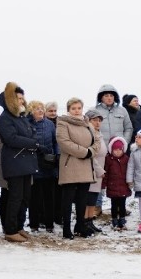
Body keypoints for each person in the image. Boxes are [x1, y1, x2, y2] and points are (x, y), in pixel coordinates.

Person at [0, 82, 39, 242]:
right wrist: (32, 143)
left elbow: (31, 132)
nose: (21, 101)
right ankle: (10, 230)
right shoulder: (6, 117)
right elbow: (11, 138)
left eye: (22, 98)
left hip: (26, 163)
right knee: (15, 197)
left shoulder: (21, 116)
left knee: (25, 197)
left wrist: (31, 140)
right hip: (14, 163)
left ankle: (19, 226)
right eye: (18, 98)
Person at [56, 97, 99, 239]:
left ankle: (80, 226)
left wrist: (91, 151)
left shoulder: (87, 123)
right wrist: (84, 152)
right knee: (67, 199)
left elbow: (96, 140)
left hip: (86, 165)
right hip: (70, 165)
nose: (76, 111)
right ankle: (66, 228)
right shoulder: (63, 123)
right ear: (68, 109)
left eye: (79, 108)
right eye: (73, 108)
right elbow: (64, 142)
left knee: (82, 198)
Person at [28, 100, 58, 233]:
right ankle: (34, 224)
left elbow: (55, 141)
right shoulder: (27, 124)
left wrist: (56, 155)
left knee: (49, 196)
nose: (40, 111)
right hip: (33, 164)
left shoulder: (50, 124)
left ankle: (49, 224)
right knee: (34, 197)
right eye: (36, 109)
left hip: (48, 164)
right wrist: (37, 147)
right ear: (31, 111)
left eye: (41, 108)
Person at [85, 109, 108, 234]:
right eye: (94, 120)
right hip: (91, 170)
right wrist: (99, 170)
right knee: (88, 198)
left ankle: (90, 221)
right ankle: (84, 222)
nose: (98, 122)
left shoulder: (99, 133)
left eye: (99, 120)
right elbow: (90, 154)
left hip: (99, 171)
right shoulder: (88, 134)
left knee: (93, 198)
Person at [103, 137, 131, 231]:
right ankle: (114, 219)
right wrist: (104, 184)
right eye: (115, 150)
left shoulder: (126, 159)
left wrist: (130, 182)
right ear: (111, 150)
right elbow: (105, 173)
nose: (118, 152)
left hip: (123, 186)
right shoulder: (109, 159)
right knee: (114, 205)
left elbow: (130, 171)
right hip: (112, 186)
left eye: (120, 149)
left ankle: (122, 219)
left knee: (122, 204)